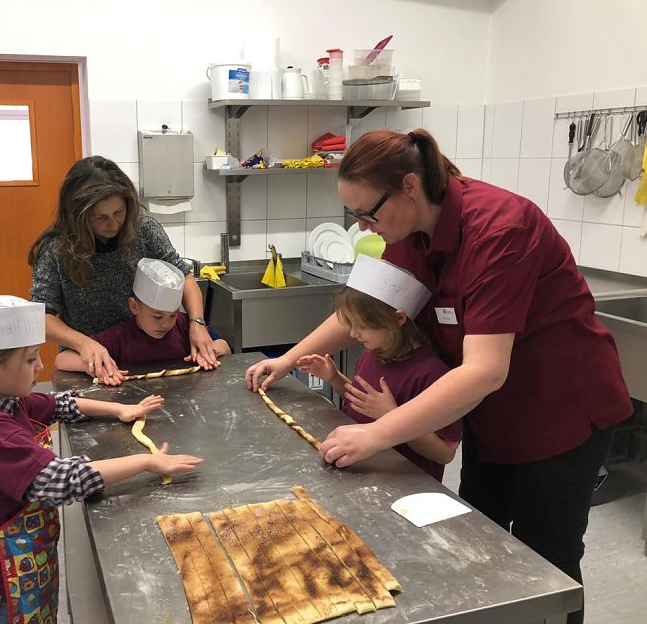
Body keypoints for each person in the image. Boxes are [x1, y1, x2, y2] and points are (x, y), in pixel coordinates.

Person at [245, 128, 632, 623]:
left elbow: (486, 369)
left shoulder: (500, 230)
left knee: (545, 562)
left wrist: (376, 433)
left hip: (561, 412)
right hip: (491, 416)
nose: (364, 227)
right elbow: (365, 311)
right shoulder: (409, 234)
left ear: (409, 186)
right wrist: (286, 359)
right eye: (355, 216)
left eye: (369, 213)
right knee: (478, 541)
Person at [0, 295, 203, 623]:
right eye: (30, 359)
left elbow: (60, 404)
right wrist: (148, 462)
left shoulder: (5, 401)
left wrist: (121, 409)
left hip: (30, 559)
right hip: (1, 578)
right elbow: (63, 481)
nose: (39, 367)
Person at [29, 156, 218, 386]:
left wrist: (197, 323)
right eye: (101, 218)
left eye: (119, 212)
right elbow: (42, 316)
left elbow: (184, 277)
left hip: (144, 355)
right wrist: (84, 344)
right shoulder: (57, 249)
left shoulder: (143, 227)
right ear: (77, 216)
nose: (114, 224)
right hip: (92, 369)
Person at [296, 255, 459, 481]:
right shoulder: (374, 354)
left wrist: (392, 416)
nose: (353, 334)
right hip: (361, 469)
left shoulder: (432, 374)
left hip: (404, 484)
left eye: (361, 325)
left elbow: (444, 453)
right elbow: (363, 403)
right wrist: (334, 378)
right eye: (350, 324)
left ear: (399, 319)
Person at [55, 257, 230, 372]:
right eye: (157, 316)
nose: (165, 324)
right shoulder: (120, 337)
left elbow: (224, 345)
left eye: (172, 315)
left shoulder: (184, 326)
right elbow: (62, 360)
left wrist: (211, 352)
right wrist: (102, 366)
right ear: (134, 306)